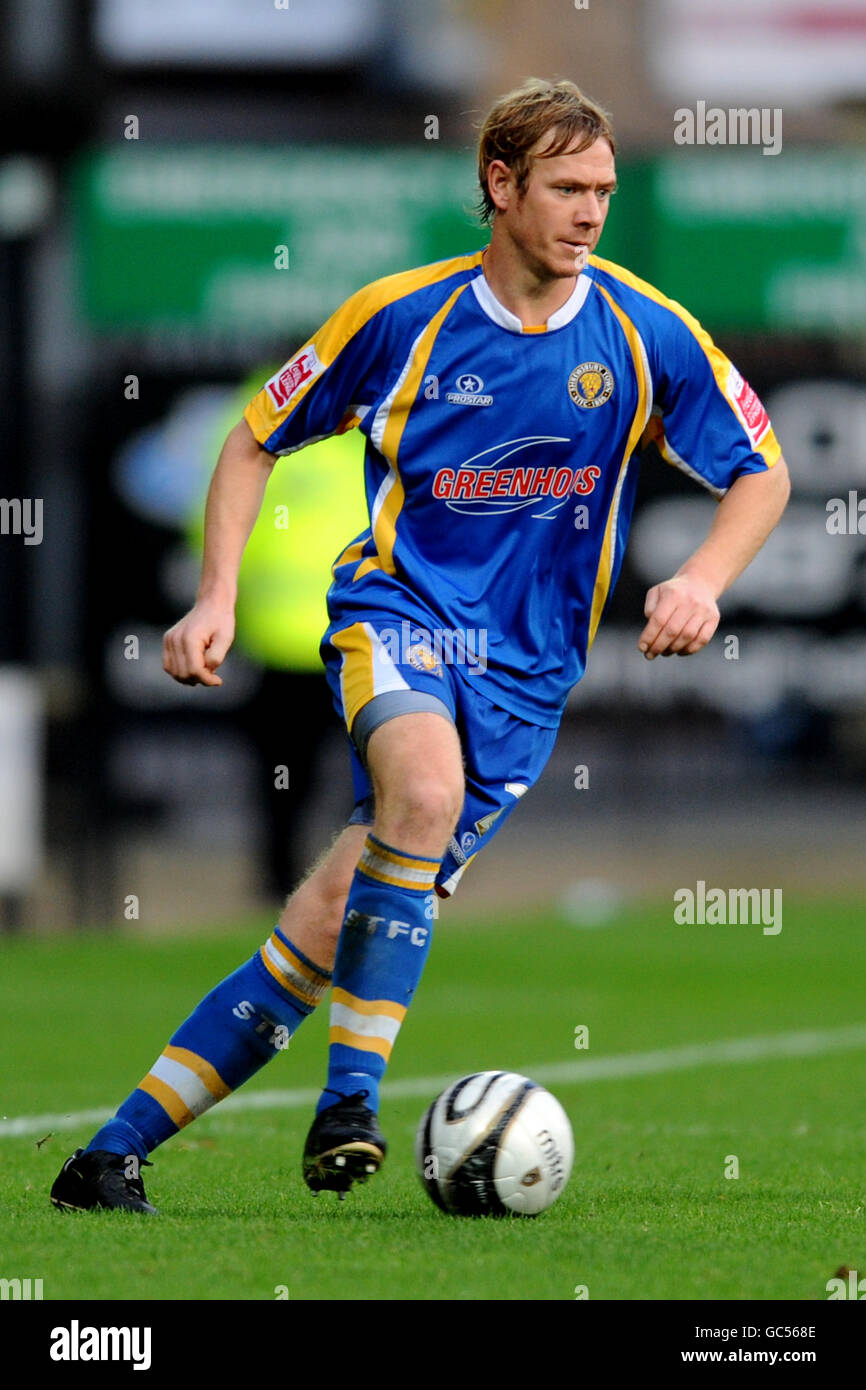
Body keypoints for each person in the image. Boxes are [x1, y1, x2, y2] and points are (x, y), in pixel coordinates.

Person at [50, 77, 790, 1214]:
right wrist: (213, 600)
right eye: (565, 188)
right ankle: (351, 1101)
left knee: (317, 926)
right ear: (498, 185)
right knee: (424, 789)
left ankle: (109, 1157)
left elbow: (761, 467)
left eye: (601, 189)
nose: (590, 212)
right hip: (396, 615)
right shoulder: (401, 317)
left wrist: (700, 578)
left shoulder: (644, 329)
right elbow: (252, 441)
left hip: (529, 678)